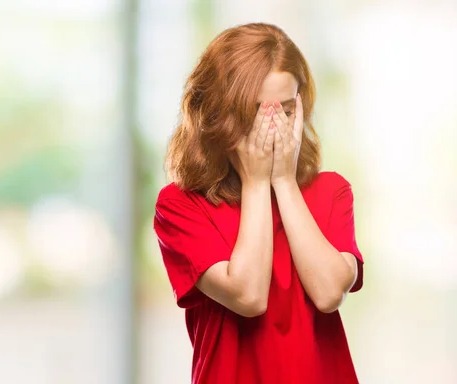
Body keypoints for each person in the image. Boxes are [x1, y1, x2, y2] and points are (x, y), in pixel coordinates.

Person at [153, 23, 364, 384]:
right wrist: (254, 184)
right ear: (218, 114)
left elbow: (330, 293)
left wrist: (282, 181)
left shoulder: (331, 192)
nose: (272, 126)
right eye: (256, 113)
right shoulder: (180, 206)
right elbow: (248, 296)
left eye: (284, 111)